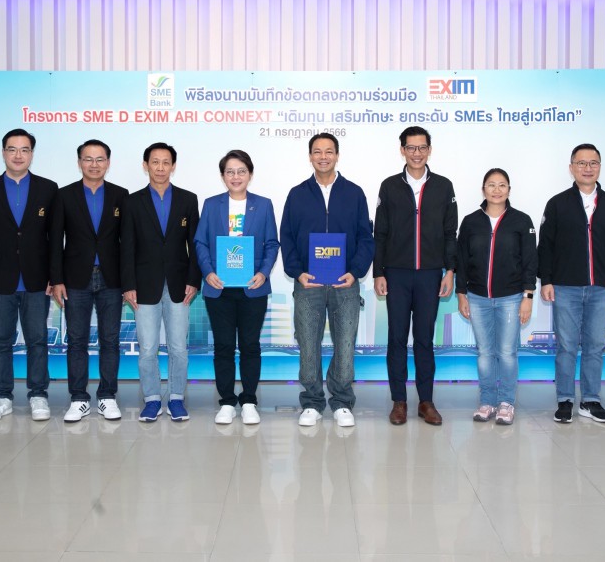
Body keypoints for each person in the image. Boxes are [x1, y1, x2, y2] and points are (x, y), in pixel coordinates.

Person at [280, 133, 374, 428]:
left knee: (345, 345)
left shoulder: (354, 193)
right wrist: (297, 272)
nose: (323, 157)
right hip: (308, 284)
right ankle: (312, 402)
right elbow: (287, 237)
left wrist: (355, 271)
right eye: (317, 152)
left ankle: (342, 401)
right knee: (308, 345)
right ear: (310, 156)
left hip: (345, 283)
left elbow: (366, 237)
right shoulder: (297, 194)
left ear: (337, 155)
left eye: (329, 151)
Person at [0, 129, 59, 423]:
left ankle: (38, 394)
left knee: (37, 340)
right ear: (3, 152)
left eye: (24, 149)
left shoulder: (48, 189)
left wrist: (55, 276)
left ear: (32, 153)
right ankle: (2, 396)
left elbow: (55, 239)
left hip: (37, 280)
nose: (18, 155)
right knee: (1, 341)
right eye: (12, 149)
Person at [538, 143, 605, 424]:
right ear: (571, 168)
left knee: (595, 346)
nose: (587, 168)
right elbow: (546, 246)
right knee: (566, 346)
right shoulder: (557, 204)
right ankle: (565, 399)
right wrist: (546, 280)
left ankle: (590, 400)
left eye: (593, 163)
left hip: (602, 287)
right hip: (565, 287)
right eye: (581, 163)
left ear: (599, 167)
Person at [373, 126, 457, 426]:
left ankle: (426, 401)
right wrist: (378, 272)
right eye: (411, 147)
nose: (417, 153)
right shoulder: (389, 186)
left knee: (424, 339)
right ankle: (399, 401)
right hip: (396, 274)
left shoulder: (443, 186)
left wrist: (450, 271)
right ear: (402, 150)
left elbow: (450, 233)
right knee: (396, 338)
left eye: (422, 147)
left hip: (430, 275)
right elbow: (380, 233)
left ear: (429, 150)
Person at [194, 150, 280, 425]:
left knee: (250, 346)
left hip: (252, 287)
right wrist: (208, 272)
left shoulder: (263, 205)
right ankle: (227, 401)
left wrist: (263, 273)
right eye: (230, 171)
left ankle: (249, 400)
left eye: (241, 171)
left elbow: (272, 243)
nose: (236, 176)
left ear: (250, 174)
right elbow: (200, 242)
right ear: (223, 176)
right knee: (223, 346)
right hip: (219, 288)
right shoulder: (211, 205)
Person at [121, 142, 201, 422]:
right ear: (146, 166)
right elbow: (126, 246)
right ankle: (152, 399)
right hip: (143, 285)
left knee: (179, 347)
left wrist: (194, 280)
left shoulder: (188, 199)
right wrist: (128, 284)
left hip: (180, 284)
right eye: (155, 162)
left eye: (166, 162)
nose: (160, 167)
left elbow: (195, 245)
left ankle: (176, 398)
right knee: (147, 348)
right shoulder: (132, 201)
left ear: (173, 166)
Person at [50, 140, 128, 423]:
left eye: (100, 159)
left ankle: (107, 396)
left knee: (110, 340)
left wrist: (128, 282)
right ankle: (79, 398)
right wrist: (56, 279)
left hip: (112, 279)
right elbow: (55, 240)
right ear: (79, 162)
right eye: (88, 159)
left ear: (108, 162)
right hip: (75, 279)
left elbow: (127, 242)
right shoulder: (64, 195)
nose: (94, 165)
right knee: (77, 340)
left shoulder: (121, 195)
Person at [456, 168, 537, 426]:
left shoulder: (521, 221)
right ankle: (487, 401)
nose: (497, 190)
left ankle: (506, 402)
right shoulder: (470, 222)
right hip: (477, 297)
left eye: (502, 185)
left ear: (509, 190)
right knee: (484, 353)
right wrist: (461, 293)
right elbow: (461, 260)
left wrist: (528, 296)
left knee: (507, 352)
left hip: (511, 297)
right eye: (491, 185)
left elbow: (530, 261)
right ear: (483, 190)